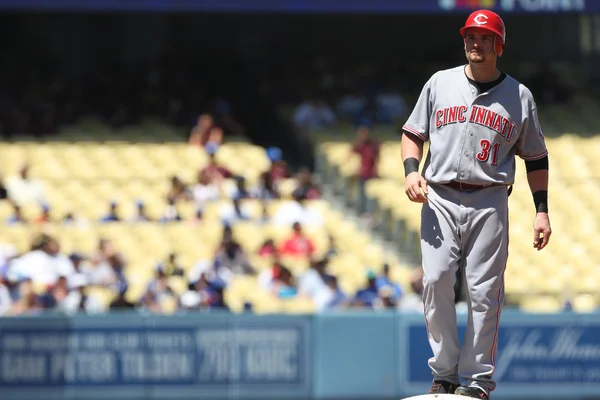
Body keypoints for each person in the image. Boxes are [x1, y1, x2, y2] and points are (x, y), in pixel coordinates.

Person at [400, 10, 552, 399]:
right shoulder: (439, 83)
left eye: (484, 37)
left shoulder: (519, 96)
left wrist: (541, 210)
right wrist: (411, 171)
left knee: (485, 293)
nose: (475, 43)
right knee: (435, 282)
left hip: (489, 199)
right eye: (470, 36)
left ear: (499, 45)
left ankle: (479, 381)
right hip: (440, 195)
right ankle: (445, 373)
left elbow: (535, 157)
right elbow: (412, 134)